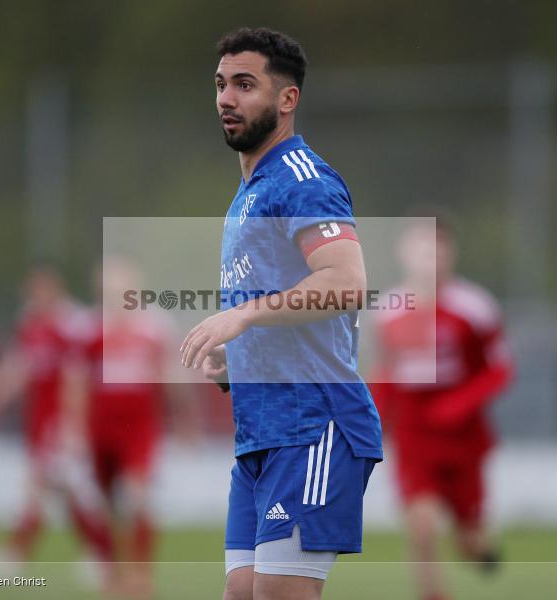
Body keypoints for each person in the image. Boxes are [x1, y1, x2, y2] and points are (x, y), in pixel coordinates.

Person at [180, 27, 383, 600]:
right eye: (220, 84)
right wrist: (234, 359)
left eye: (245, 84)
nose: (226, 97)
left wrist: (240, 318)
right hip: (262, 433)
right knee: (242, 593)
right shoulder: (248, 193)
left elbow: (346, 283)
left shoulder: (303, 180)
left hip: (314, 424)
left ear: (287, 99)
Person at [371, 216, 513, 600]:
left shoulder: (476, 308)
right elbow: (383, 375)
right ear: (404, 254)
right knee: (422, 527)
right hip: (415, 437)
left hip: (464, 439)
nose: (428, 258)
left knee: (471, 542)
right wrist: (373, 426)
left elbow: (500, 370)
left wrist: (459, 404)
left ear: (450, 253)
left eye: (436, 249)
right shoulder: (388, 312)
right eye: (420, 249)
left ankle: (476, 546)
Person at [0, 262, 115, 584]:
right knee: (67, 490)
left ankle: (15, 556)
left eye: (39, 289)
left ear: (54, 288)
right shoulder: (30, 322)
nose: (34, 295)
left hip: (61, 420)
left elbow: (80, 374)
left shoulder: (72, 324)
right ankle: (103, 555)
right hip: (39, 419)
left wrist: (74, 421)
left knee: (41, 488)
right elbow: (21, 364)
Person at [64, 257, 197, 599]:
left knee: (137, 497)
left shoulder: (154, 327)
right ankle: (115, 570)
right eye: (110, 289)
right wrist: (74, 427)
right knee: (105, 504)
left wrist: (184, 419)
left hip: (139, 427)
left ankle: (140, 573)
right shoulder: (88, 329)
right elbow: (76, 381)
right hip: (100, 428)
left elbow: (171, 377)